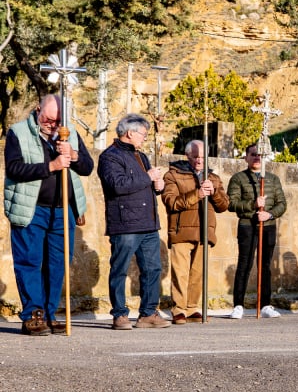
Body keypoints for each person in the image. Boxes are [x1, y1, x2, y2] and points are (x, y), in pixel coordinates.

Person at [4, 94, 94, 335]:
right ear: (37, 110)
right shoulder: (18, 133)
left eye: (57, 120)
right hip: (31, 209)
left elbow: (87, 167)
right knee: (30, 262)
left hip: (62, 211)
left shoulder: (69, 133)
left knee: (57, 264)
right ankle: (33, 314)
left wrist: (73, 155)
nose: (52, 125)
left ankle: (49, 312)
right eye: (48, 119)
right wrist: (50, 167)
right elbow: (13, 168)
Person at [98, 113, 171, 329]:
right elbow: (117, 185)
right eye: (143, 134)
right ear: (130, 133)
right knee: (119, 268)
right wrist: (147, 177)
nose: (144, 138)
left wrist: (157, 187)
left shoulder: (141, 156)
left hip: (148, 223)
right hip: (125, 224)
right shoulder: (109, 157)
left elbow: (142, 184)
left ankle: (148, 313)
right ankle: (119, 314)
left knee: (152, 269)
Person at [162, 140, 230, 323]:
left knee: (198, 272)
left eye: (202, 157)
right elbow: (171, 202)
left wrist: (213, 192)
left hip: (204, 232)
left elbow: (223, 205)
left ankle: (192, 308)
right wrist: (197, 194)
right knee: (180, 273)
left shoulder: (213, 177)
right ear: (187, 156)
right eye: (195, 157)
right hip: (181, 231)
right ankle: (178, 309)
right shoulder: (173, 175)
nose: (199, 161)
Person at [227, 144, 287, 319]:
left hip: (267, 227)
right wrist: (253, 206)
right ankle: (238, 305)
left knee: (265, 266)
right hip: (247, 226)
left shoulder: (273, 179)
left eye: (260, 154)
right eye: (253, 154)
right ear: (246, 157)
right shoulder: (238, 178)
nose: (257, 158)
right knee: (244, 264)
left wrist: (269, 214)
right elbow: (231, 203)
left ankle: (266, 304)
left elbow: (282, 204)